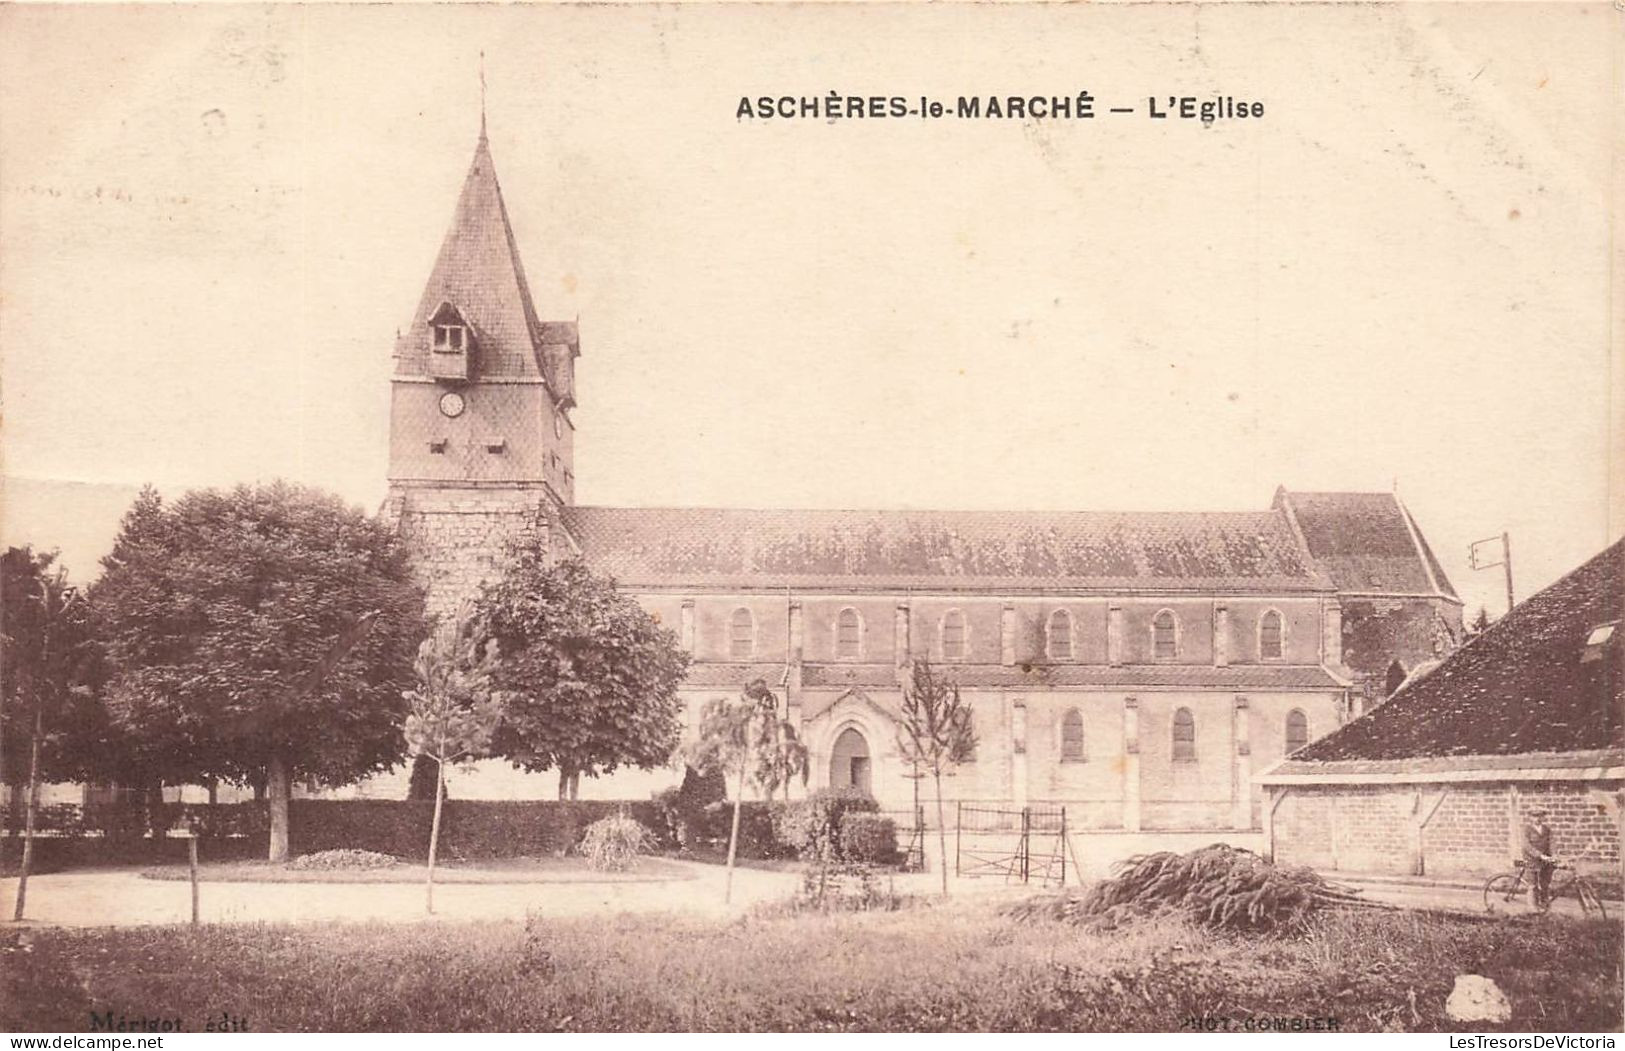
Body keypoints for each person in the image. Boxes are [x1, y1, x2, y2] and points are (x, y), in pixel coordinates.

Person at [1520, 806, 1556, 910]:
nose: (1538, 818)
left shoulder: (1547, 829)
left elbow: (1552, 842)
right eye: (1535, 816)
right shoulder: (1526, 830)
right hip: (1531, 860)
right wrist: (1540, 855)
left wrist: (1554, 855)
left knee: (1545, 884)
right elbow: (1526, 846)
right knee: (1532, 885)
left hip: (1545, 860)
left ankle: (1545, 905)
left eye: (1540, 816)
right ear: (1530, 817)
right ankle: (1532, 908)